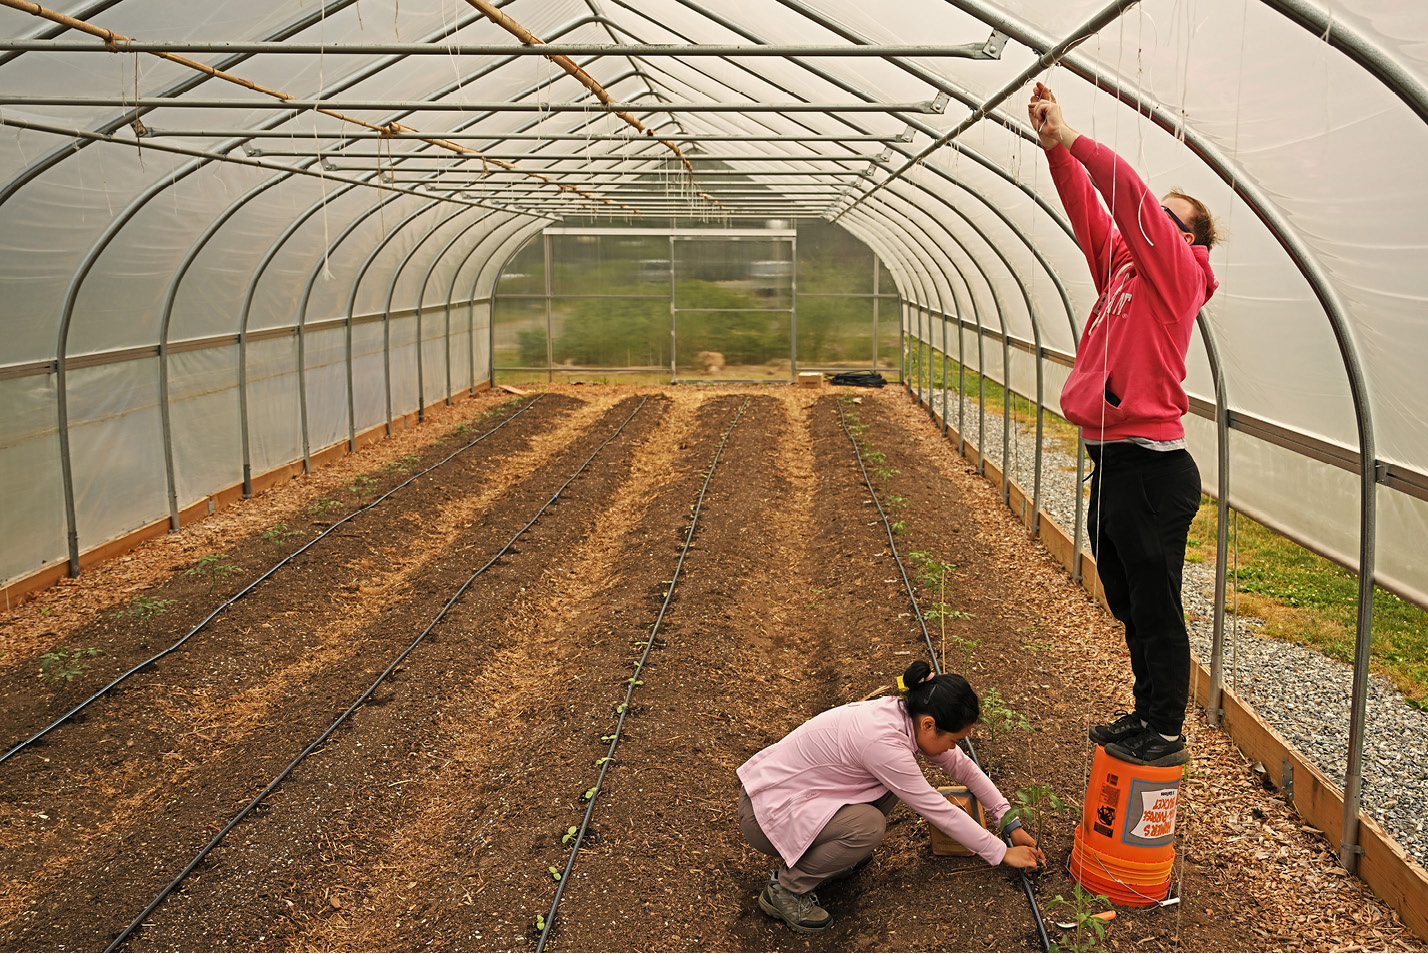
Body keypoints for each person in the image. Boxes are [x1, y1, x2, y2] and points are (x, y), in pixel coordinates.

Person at [1028, 82, 1220, 768]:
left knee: (1156, 603)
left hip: (1153, 467)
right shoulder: (1121, 269)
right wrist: (1056, 152)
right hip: (1111, 462)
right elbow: (1093, 212)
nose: (1157, 223)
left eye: (1174, 219)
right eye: (1160, 217)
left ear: (1191, 239)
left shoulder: (1176, 272)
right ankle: (1147, 711)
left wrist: (1079, 138)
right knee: (1126, 593)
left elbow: (1132, 201)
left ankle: (1164, 728)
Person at [736, 661, 1044, 933]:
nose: (955, 748)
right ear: (929, 725)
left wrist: (1009, 824)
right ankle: (786, 890)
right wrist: (1001, 853)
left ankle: (828, 858)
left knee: (884, 793)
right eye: (954, 740)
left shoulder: (906, 715)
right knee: (867, 827)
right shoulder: (883, 742)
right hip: (766, 813)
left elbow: (966, 769)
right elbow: (938, 810)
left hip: (803, 796)